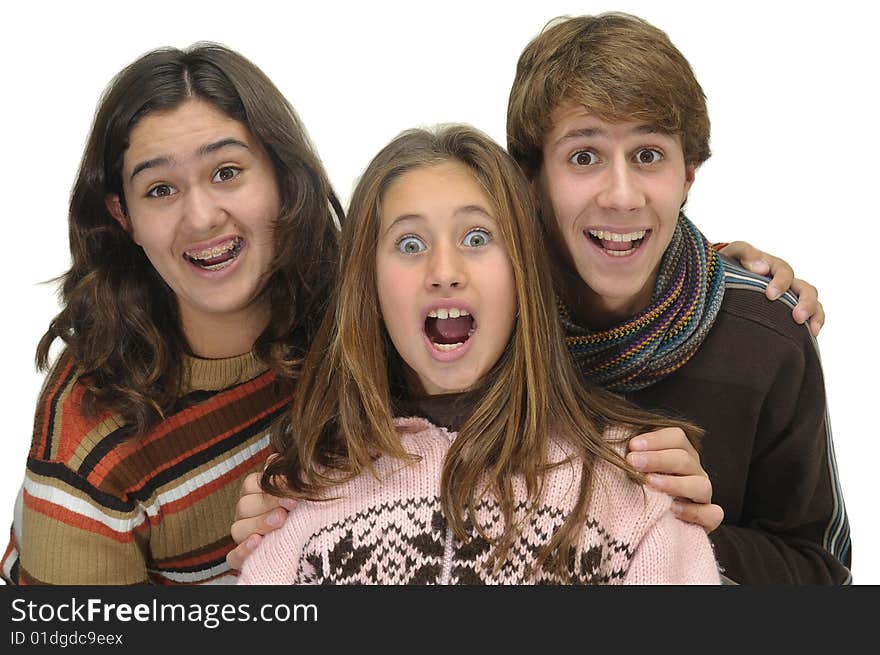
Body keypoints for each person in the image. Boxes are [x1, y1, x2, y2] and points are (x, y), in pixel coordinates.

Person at [237, 125, 721, 584]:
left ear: (523, 273)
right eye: (409, 243)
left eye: (476, 238)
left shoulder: (637, 486)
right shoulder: (303, 499)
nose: (444, 270)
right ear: (369, 286)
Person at [503, 12, 850, 583]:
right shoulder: (475, 328)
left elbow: (824, 576)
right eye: (584, 156)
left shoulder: (766, 341)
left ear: (688, 175)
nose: (621, 196)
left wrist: (689, 535)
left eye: (648, 155)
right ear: (530, 178)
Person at [0, 43, 340, 584]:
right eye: (160, 189)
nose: (202, 217)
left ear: (282, 177)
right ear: (124, 217)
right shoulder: (88, 438)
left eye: (227, 172)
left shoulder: (356, 320)